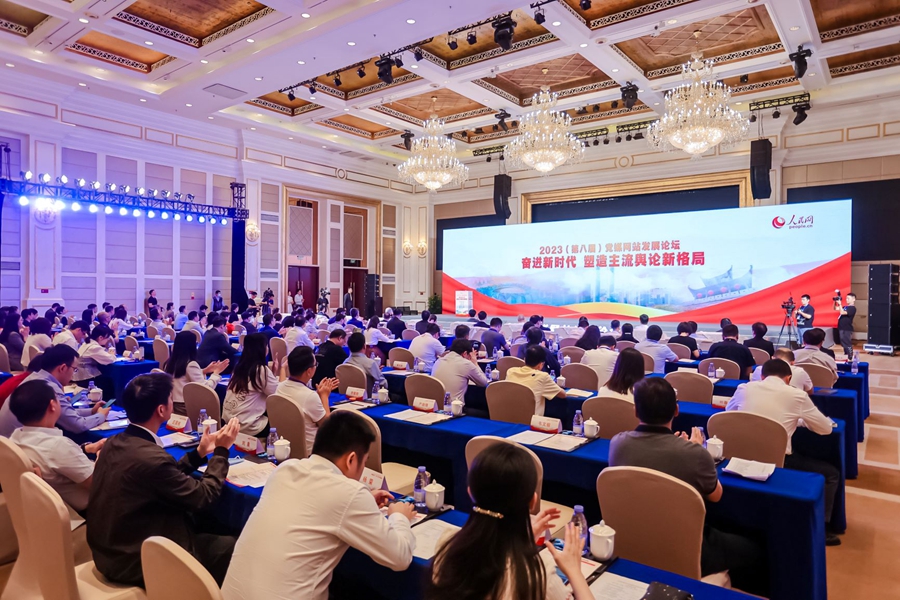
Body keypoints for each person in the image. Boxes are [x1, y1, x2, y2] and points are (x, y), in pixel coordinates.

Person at [221, 410, 415, 600]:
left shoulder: (285, 469)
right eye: (364, 462)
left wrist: (362, 502)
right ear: (351, 459)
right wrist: (399, 516)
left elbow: (317, 504)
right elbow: (400, 558)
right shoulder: (350, 494)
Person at [87, 373, 240, 586]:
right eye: (170, 398)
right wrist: (222, 451)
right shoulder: (152, 459)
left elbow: (162, 478)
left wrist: (199, 453)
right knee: (232, 544)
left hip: (109, 549)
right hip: (132, 561)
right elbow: (204, 497)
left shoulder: (114, 442)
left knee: (208, 523)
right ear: (161, 410)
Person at [609, 378, 761, 585]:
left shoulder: (618, 443)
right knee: (756, 547)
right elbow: (716, 495)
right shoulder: (695, 454)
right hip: (686, 547)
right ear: (676, 410)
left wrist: (685, 449)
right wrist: (695, 449)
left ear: (635, 411)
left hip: (632, 539)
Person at [428, 443, 591, 600]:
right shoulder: (538, 573)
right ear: (532, 502)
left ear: (470, 493)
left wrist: (523, 539)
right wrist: (574, 571)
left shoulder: (447, 544)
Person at [727, 359, 840, 545]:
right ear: (788, 378)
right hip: (778, 460)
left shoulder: (744, 388)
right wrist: (799, 420)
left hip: (741, 455)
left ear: (762, 376)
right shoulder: (797, 395)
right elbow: (825, 429)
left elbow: (730, 413)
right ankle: (822, 529)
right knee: (831, 474)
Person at [8, 380, 106, 514]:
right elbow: (100, 484)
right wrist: (102, 457)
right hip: (86, 512)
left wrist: (86, 448)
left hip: (41, 509)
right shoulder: (58, 446)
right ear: (52, 405)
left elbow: (53, 458)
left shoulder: (16, 436)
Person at [0, 345, 110, 437]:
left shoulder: (35, 378)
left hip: (9, 445)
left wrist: (91, 411)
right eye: (74, 369)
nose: (73, 374)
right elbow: (77, 425)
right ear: (62, 368)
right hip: (22, 447)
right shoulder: (48, 387)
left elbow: (64, 414)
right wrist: (101, 416)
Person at [275, 346, 339, 455]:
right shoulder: (309, 396)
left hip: (286, 447)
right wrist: (324, 396)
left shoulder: (279, 387)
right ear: (309, 371)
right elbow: (327, 428)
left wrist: (319, 395)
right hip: (311, 451)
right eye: (315, 365)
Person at [222, 334, 283, 437]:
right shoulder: (260, 370)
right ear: (262, 349)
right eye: (266, 346)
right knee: (284, 418)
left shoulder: (238, 367)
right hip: (247, 426)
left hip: (229, 423)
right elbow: (278, 394)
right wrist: (283, 369)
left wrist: (272, 373)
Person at [165, 331, 229, 416]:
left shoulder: (169, 363)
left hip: (173, 404)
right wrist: (216, 373)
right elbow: (205, 389)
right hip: (186, 407)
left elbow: (182, 376)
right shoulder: (190, 364)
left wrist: (205, 370)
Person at [505, 346, 565, 416]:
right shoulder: (543, 377)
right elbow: (563, 395)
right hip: (531, 420)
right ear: (541, 365)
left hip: (508, 416)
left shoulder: (511, 371)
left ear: (524, 360)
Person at [837, 292, 857, 357]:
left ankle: (850, 355)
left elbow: (842, 312)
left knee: (847, 342)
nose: (846, 300)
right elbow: (835, 308)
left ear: (853, 299)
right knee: (843, 342)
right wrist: (836, 302)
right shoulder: (845, 307)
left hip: (847, 328)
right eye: (846, 298)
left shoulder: (852, 308)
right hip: (841, 327)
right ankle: (846, 354)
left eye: (848, 298)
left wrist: (840, 304)